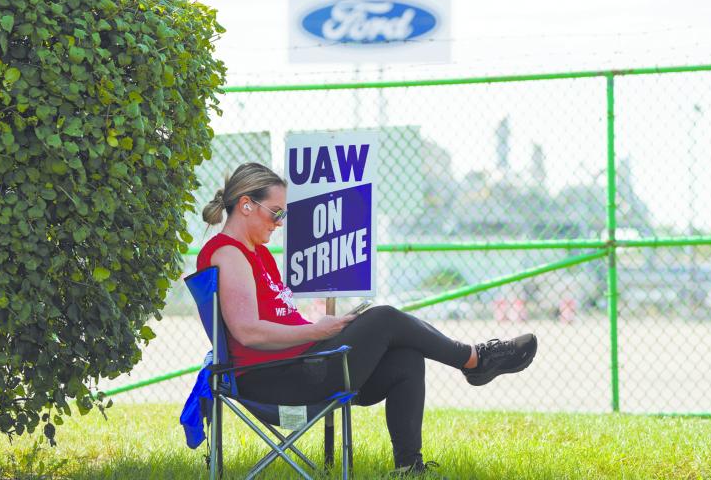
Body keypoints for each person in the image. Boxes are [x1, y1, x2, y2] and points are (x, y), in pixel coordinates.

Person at [197, 162, 538, 477]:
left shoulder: (257, 253)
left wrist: (319, 328)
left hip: (301, 364)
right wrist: (315, 330)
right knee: (385, 318)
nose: (280, 222)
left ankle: (409, 466)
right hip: (275, 379)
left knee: (406, 357)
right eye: (276, 212)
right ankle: (475, 359)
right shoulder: (229, 253)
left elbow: (275, 319)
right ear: (245, 205)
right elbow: (247, 331)